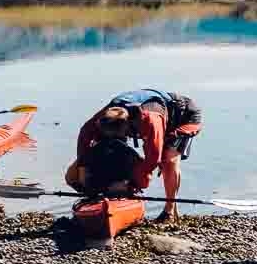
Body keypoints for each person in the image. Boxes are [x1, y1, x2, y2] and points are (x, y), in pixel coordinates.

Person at [71, 90, 202, 220]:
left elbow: (152, 160)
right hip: (148, 117)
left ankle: (169, 210)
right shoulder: (106, 116)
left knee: (167, 160)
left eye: (117, 135)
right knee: (100, 153)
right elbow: (84, 135)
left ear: (126, 127)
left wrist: (132, 184)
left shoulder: (150, 121)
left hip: (182, 117)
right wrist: (83, 172)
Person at [65, 108, 144, 197]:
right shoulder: (129, 152)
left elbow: (78, 179)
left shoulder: (90, 151)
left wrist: (89, 189)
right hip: (119, 191)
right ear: (125, 128)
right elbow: (144, 181)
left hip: (95, 190)